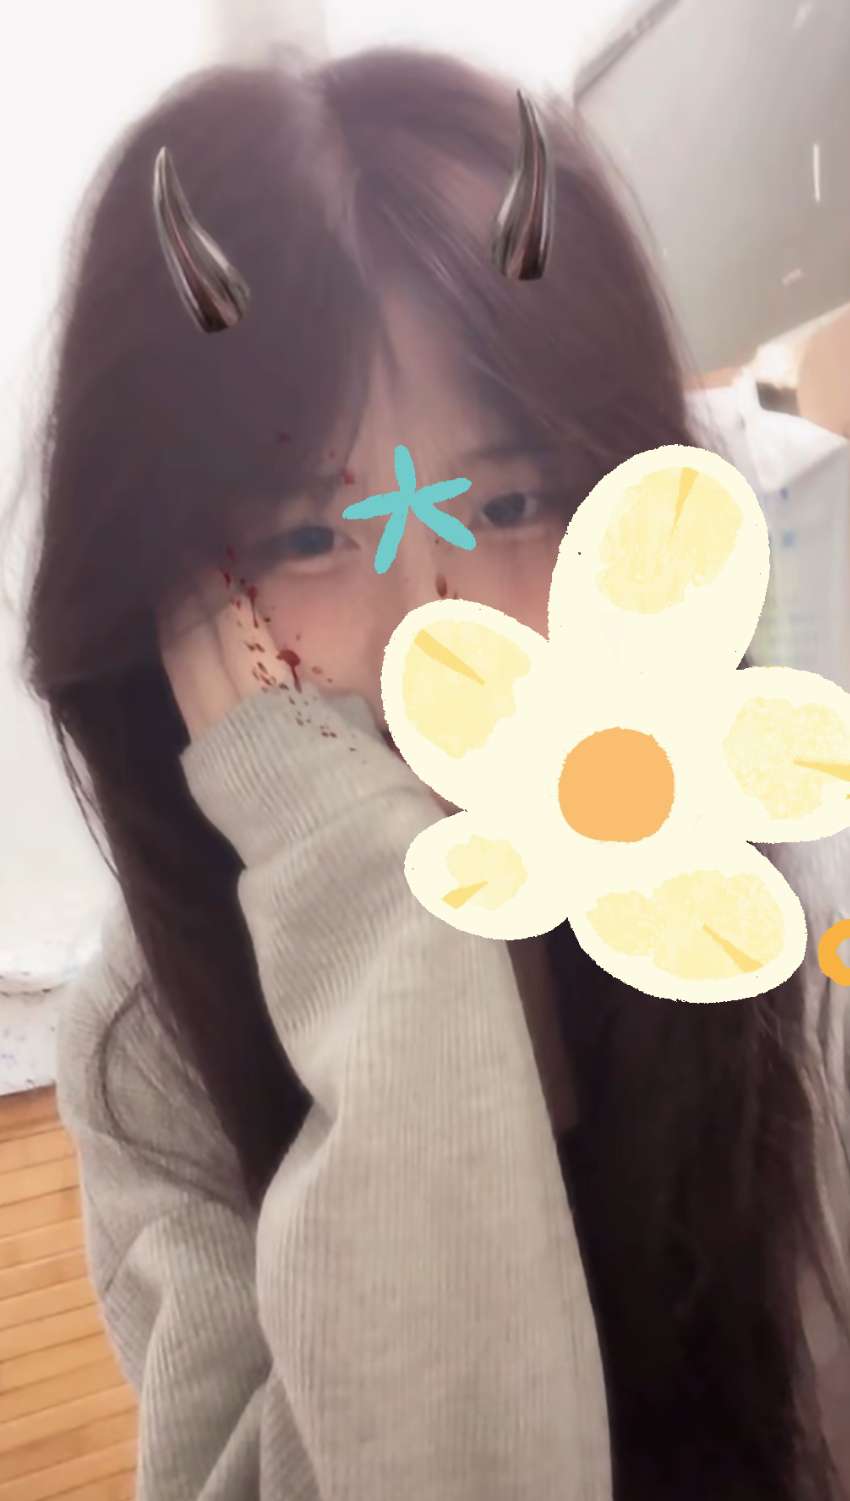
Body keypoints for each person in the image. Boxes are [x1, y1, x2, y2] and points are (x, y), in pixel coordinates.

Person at [7, 44, 849, 1501]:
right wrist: (377, 913)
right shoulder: (148, 1039)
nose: (433, 627)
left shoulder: (779, 889)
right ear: (174, 604)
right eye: (309, 536)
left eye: (511, 501)